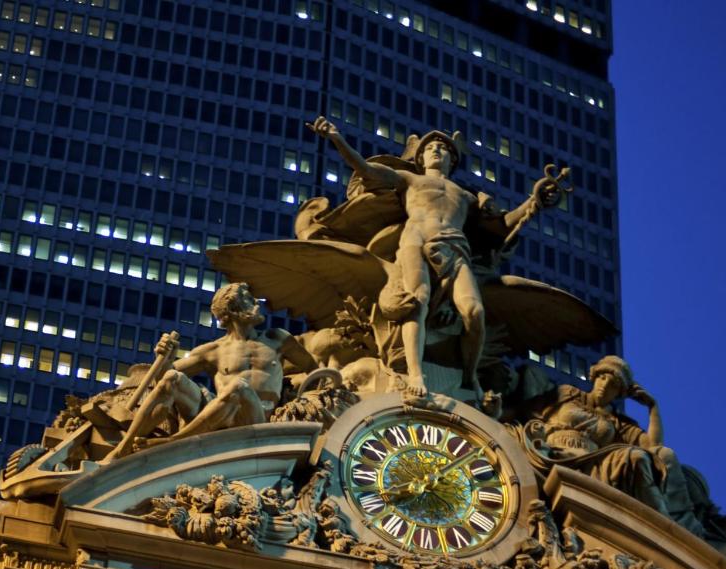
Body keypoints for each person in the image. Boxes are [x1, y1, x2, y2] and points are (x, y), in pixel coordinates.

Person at [307, 117, 557, 399]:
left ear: (453, 160)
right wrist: (337, 139)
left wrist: (533, 202)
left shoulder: (467, 196)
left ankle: (469, 376)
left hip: (455, 246)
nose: (437, 150)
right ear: (421, 156)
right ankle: (415, 373)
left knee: (475, 313)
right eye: (431, 147)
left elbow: (503, 225)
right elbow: (366, 170)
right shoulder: (410, 179)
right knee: (417, 301)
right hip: (416, 239)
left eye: (444, 148)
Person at [106, 283, 316, 460]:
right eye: (248, 299)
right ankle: (122, 449)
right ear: (231, 311)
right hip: (220, 420)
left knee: (239, 387)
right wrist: (166, 358)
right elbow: (163, 377)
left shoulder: (278, 339)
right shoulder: (213, 351)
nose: (256, 304)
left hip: (256, 419)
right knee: (172, 378)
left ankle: (171, 443)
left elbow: (313, 369)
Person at [524, 355, 702, 532]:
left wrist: (652, 408)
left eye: (614, 385)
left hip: (594, 463)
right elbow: (528, 406)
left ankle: (664, 524)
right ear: (594, 376)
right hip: (555, 452)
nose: (605, 386)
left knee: (640, 457)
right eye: (602, 378)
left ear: (620, 393)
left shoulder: (618, 423)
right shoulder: (567, 393)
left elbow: (655, 447)